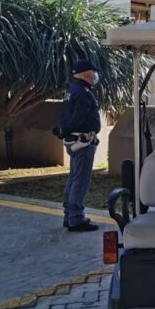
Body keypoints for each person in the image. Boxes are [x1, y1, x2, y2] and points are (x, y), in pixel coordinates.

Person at [55, 59, 102, 232]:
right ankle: (76, 218)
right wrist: (67, 128)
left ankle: (69, 215)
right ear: (87, 74)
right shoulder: (83, 92)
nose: (95, 76)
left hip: (74, 141)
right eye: (93, 72)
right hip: (82, 142)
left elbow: (67, 116)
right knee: (81, 180)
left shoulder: (72, 90)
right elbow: (78, 117)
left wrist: (62, 130)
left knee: (74, 178)